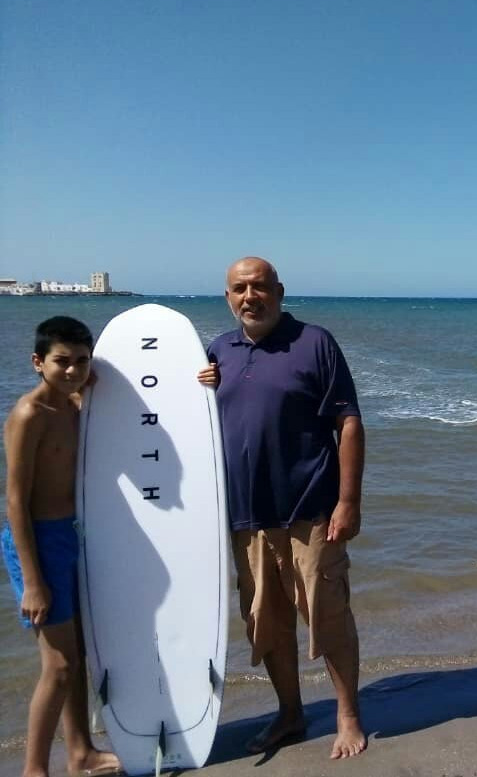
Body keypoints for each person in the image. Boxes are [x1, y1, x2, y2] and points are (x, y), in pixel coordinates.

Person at [197, 257, 367, 760]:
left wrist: (348, 502)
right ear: (227, 297)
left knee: (327, 616)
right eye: (239, 288)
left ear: (279, 290)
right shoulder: (217, 351)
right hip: (244, 519)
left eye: (260, 287)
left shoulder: (314, 342)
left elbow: (349, 425)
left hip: (310, 512)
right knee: (265, 623)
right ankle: (290, 713)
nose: (250, 296)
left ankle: (347, 714)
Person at [2, 317, 121, 777]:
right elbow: (14, 500)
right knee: (58, 665)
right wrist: (32, 582)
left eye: (81, 361)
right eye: (61, 361)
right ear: (37, 362)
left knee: (78, 655)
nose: (72, 370)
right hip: (36, 540)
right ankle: (35, 769)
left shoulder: (76, 405)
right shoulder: (29, 414)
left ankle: (80, 753)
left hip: (73, 534)